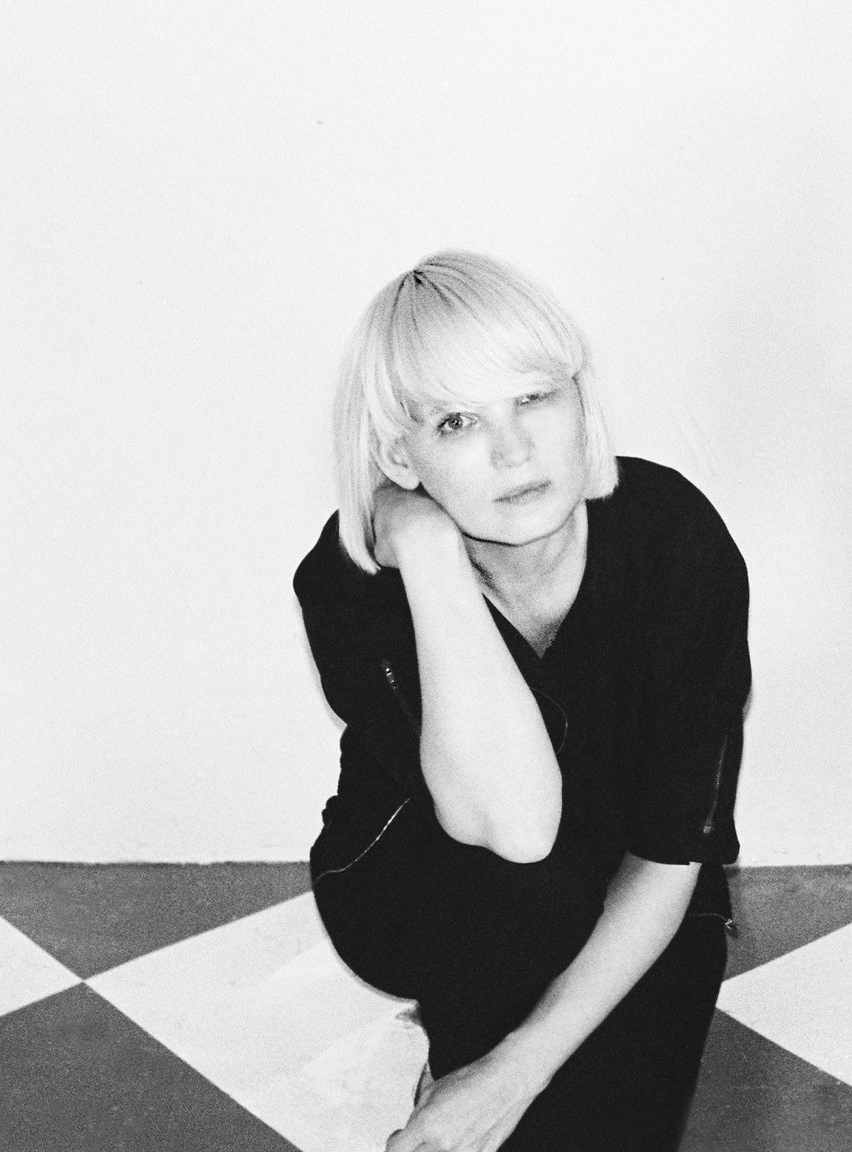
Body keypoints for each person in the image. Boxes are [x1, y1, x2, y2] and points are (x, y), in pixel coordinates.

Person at [293, 251, 749, 1151]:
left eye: (534, 398)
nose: (513, 451)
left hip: (638, 877)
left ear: (579, 399)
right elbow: (517, 826)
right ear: (400, 455)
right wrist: (428, 554)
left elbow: (670, 856)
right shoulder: (351, 584)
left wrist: (512, 1074)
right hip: (425, 880)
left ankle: (490, 1058)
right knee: (525, 887)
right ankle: (458, 1033)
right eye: (457, 421)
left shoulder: (675, 542)